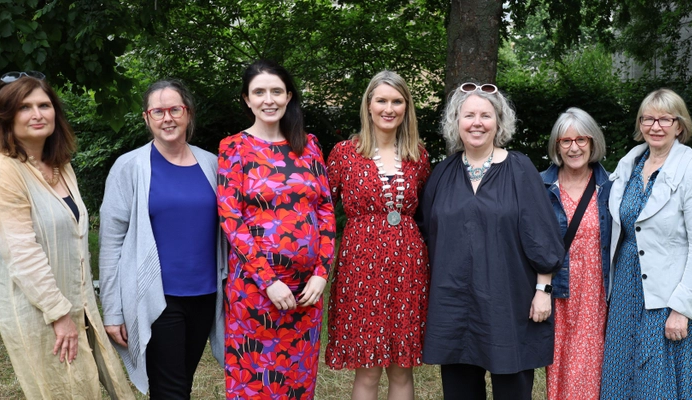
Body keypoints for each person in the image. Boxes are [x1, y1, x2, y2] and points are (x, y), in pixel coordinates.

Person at [0, 71, 133, 399]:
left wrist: (78, 308)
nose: (37, 114)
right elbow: (21, 253)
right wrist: (59, 315)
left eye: (44, 105)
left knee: (96, 384)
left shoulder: (60, 165)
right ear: (5, 117)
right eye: (24, 107)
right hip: (40, 312)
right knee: (65, 390)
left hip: (77, 301)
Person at [420, 83, 564, 400]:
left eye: (485, 115)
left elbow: (541, 234)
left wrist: (543, 290)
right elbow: (428, 234)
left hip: (508, 302)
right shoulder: (442, 174)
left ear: (498, 122)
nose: (477, 123)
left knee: (512, 389)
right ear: (456, 121)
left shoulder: (519, 169)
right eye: (469, 115)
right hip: (454, 304)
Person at [99, 79, 227, 397]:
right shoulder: (129, 167)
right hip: (156, 297)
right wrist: (112, 311)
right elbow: (111, 242)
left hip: (205, 295)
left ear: (188, 113)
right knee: (171, 389)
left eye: (174, 109)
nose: (167, 118)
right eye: (158, 111)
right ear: (147, 118)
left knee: (180, 382)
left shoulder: (213, 164)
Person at [218, 59, 335, 399]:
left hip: (306, 294)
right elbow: (231, 219)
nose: (268, 100)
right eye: (259, 92)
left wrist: (321, 274)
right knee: (255, 383)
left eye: (276, 91)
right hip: (255, 292)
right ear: (247, 99)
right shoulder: (234, 148)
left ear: (288, 97)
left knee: (297, 385)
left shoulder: (308, 145)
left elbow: (325, 210)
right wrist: (268, 281)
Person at [600, 88, 692, 399]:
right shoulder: (629, 166)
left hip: (671, 293)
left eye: (665, 119)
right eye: (648, 119)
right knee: (623, 377)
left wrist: (683, 308)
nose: (656, 126)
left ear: (680, 125)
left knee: (663, 381)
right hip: (627, 291)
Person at [325, 70, 431, 400]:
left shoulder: (418, 155)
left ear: (406, 107)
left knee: (401, 367)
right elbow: (321, 211)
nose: (389, 108)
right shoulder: (344, 153)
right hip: (360, 267)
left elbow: (428, 213)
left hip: (408, 268)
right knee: (368, 366)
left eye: (397, 101)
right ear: (368, 105)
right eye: (381, 100)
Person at [541, 108, 611, 400]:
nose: (574, 148)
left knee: (590, 367)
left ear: (593, 142)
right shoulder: (541, 186)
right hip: (556, 293)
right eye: (566, 141)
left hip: (595, 294)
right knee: (557, 365)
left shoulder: (611, 186)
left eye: (581, 139)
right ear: (557, 146)